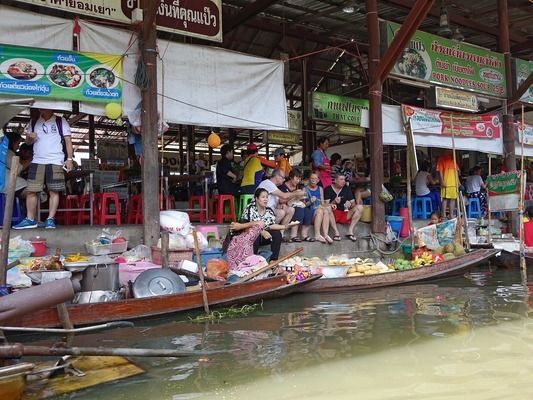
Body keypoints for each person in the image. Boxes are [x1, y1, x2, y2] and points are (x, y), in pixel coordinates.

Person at [14, 109, 73, 229]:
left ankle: (50, 219)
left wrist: (70, 159)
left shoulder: (60, 121)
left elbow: (68, 141)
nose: (42, 108)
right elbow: (28, 142)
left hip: (55, 160)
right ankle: (30, 219)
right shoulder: (34, 121)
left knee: (54, 191)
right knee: (31, 190)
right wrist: (30, 138)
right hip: (37, 160)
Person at [225, 188, 290, 267]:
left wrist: (285, 227)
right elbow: (247, 225)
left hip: (264, 236)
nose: (265, 199)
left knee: (277, 234)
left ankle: (273, 260)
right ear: (256, 198)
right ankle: (252, 261)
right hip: (250, 236)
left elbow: (270, 225)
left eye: (267, 197)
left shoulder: (269, 210)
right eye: (263, 197)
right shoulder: (250, 208)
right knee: (254, 234)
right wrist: (261, 231)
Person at [323, 174, 364, 242]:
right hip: (332, 215)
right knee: (327, 208)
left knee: (360, 207)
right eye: (341, 179)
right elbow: (325, 204)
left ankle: (350, 231)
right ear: (335, 180)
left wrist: (350, 205)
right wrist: (334, 202)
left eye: (344, 180)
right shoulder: (328, 189)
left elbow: (353, 204)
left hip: (344, 214)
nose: (343, 181)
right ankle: (336, 233)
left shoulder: (346, 189)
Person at [278, 169, 309, 242]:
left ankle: (304, 235)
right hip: (286, 208)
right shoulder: (283, 186)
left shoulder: (298, 187)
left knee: (308, 211)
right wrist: (294, 195)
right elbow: (281, 201)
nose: (298, 181)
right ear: (291, 177)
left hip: (296, 206)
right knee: (299, 210)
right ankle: (293, 235)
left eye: (299, 179)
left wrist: (302, 198)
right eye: (297, 178)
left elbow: (303, 202)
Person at [300, 172, 331, 243]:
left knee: (325, 210)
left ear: (318, 180)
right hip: (310, 214)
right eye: (312, 178)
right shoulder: (304, 189)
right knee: (320, 210)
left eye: (315, 178)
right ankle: (317, 235)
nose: (313, 180)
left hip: (319, 212)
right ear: (309, 180)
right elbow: (302, 205)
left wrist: (328, 204)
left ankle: (325, 235)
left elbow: (322, 203)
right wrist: (310, 202)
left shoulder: (320, 189)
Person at [0, 131, 28, 197]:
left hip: (5, 183)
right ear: (12, 143)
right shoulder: (8, 153)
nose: (18, 147)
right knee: (33, 192)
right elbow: (17, 169)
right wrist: (30, 160)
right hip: (7, 184)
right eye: (18, 143)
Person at [436, 151, 459, 219]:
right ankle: (444, 215)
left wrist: (458, 181)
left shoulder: (453, 159)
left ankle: (451, 215)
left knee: (453, 199)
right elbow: (440, 171)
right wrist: (442, 181)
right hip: (446, 182)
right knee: (445, 199)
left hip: (453, 183)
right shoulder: (441, 158)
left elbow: (456, 171)